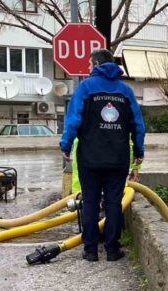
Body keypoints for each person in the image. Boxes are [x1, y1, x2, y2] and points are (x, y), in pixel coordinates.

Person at [59, 49, 145, 262]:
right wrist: (139, 152)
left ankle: (90, 250)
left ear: (96, 64)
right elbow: (138, 125)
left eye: (89, 65)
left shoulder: (85, 88)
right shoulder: (125, 91)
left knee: (90, 201)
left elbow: (73, 120)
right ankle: (112, 250)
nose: (88, 69)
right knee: (114, 203)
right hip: (118, 158)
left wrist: (66, 145)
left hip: (90, 157)